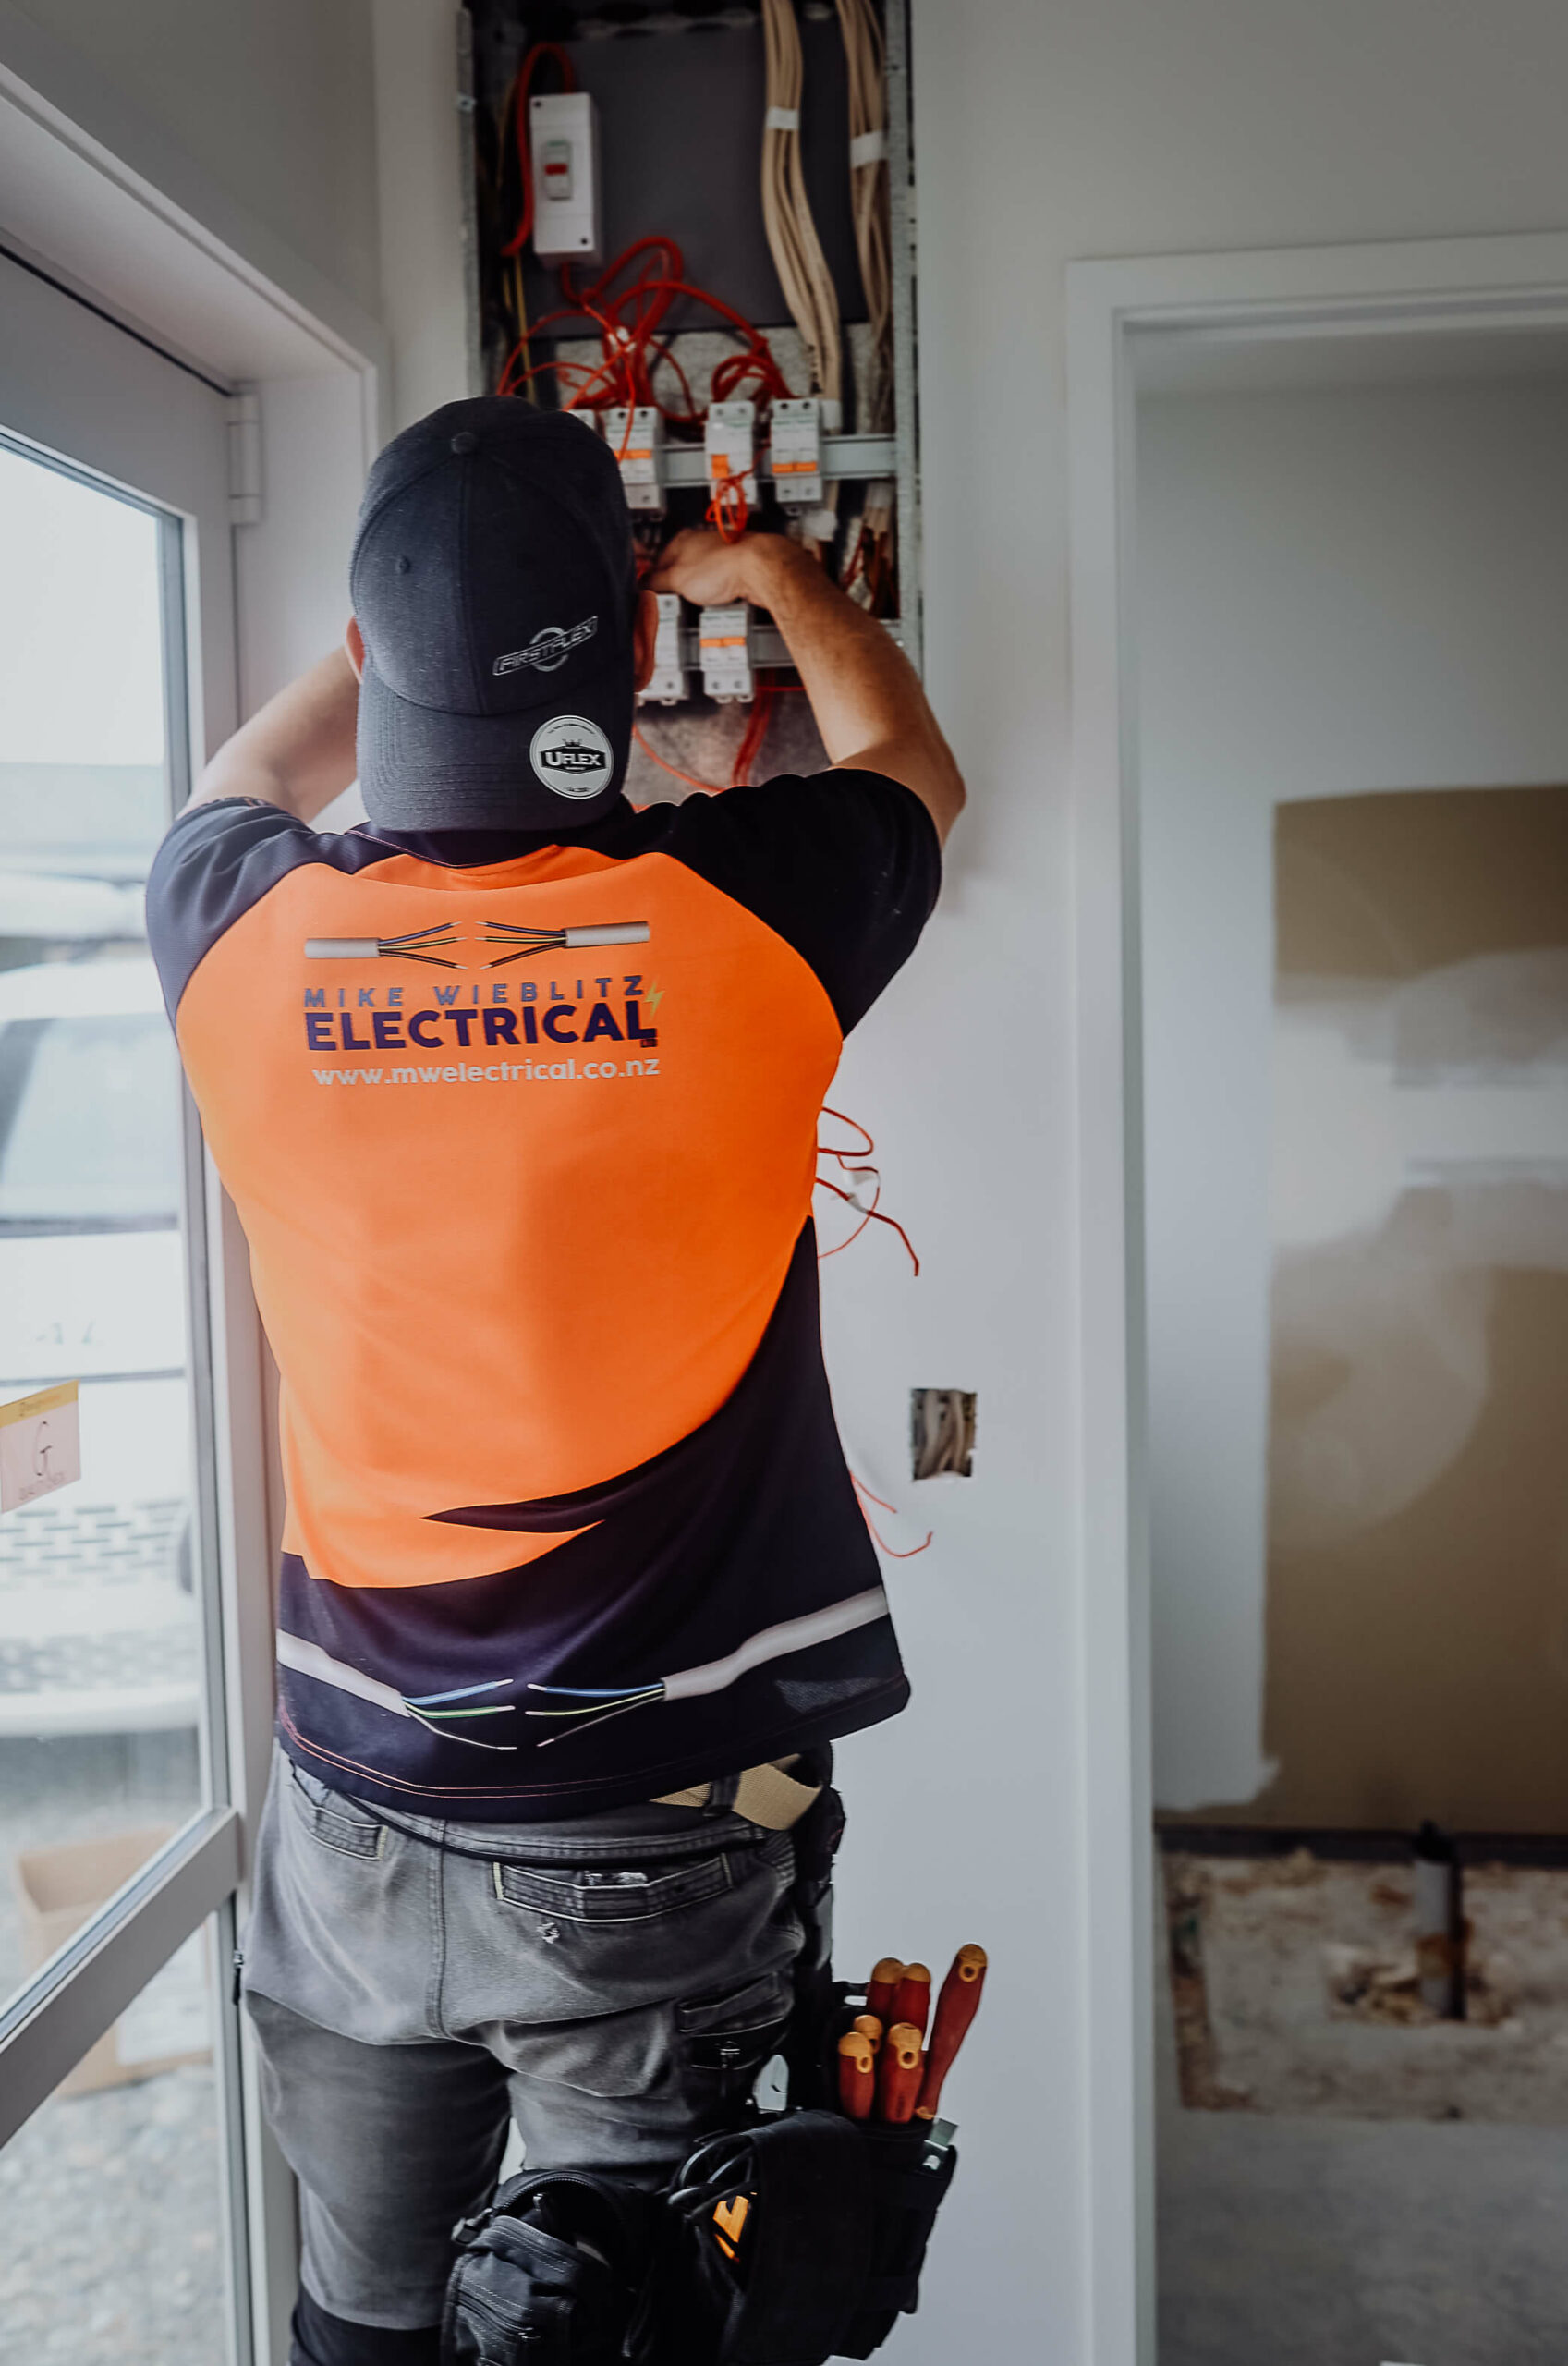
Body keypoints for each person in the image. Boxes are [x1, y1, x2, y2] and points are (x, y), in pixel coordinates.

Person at [145, 396, 964, 2366]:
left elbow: (250, 765)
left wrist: (390, 642)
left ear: (366, 653)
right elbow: (912, 766)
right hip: (646, 1830)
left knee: (359, 2326)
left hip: (347, 1806)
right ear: (623, 661)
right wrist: (770, 576)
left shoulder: (228, 929)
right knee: (630, 2334)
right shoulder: (756, 913)